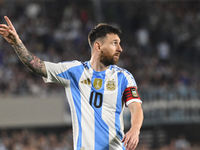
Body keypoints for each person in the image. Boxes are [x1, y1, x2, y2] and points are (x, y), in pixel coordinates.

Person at [0, 16, 143, 150]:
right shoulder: (74, 71)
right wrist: (17, 43)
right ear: (98, 46)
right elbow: (37, 66)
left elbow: (136, 108)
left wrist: (135, 129)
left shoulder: (124, 77)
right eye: (114, 43)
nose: (120, 49)